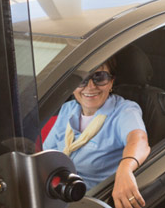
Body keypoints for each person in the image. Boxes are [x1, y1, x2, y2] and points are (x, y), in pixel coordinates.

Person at [43, 57, 150, 208]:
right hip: (56, 196)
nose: (90, 86)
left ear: (111, 82)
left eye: (100, 77)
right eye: (82, 79)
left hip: (90, 201)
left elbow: (139, 140)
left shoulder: (124, 111)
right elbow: (47, 155)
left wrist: (125, 169)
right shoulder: (67, 109)